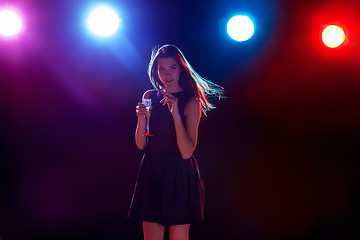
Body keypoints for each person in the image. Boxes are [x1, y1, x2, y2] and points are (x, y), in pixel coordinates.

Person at [128, 44, 223, 240]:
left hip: (179, 173)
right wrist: (141, 119)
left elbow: (187, 152)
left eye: (172, 67)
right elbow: (141, 145)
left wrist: (176, 114)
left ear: (181, 69)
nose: (167, 73)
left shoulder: (191, 101)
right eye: (161, 68)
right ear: (155, 71)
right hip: (152, 170)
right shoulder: (149, 96)